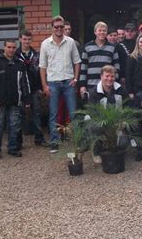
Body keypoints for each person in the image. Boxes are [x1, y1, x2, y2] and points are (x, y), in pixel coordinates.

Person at [39, 15, 81, 152]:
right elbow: (42, 66)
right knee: (53, 114)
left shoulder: (71, 42)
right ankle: (54, 142)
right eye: (56, 27)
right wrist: (44, 85)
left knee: (73, 113)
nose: (59, 29)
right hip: (53, 83)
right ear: (52, 28)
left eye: (61, 27)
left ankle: (76, 141)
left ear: (64, 27)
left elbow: (77, 61)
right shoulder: (45, 44)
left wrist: (75, 78)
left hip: (68, 82)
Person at [0, 39, 31, 160]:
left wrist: (27, 99)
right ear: (4, 47)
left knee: (14, 125)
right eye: (9, 47)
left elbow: (25, 82)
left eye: (13, 47)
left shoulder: (20, 63)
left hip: (15, 101)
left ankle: (12, 148)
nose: (11, 50)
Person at [88, 65, 130, 164]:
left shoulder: (121, 90)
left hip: (118, 124)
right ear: (101, 77)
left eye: (112, 76)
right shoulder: (94, 92)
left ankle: (113, 146)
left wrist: (123, 121)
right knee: (92, 125)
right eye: (107, 76)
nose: (109, 79)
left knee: (123, 144)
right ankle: (96, 151)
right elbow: (92, 112)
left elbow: (129, 107)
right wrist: (104, 125)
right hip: (101, 124)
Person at [15, 30, 45, 146]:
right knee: (20, 114)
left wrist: (41, 87)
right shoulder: (16, 55)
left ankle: (39, 138)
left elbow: (39, 72)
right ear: (20, 39)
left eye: (28, 39)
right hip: (20, 90)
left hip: (34, 89)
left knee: (37, 113)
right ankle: (18, 141)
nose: (26, 41)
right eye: (24, 39)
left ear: (31, 40)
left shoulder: (36, 55)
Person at [79, 21, 120, 97]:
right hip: (91, 85)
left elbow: (116, 67)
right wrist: (82, 85)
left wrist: (114, 82)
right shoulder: (87, 47)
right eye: (99, 30)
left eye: (104, 31)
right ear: (95, 32)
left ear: (107, 32)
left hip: (108, 85)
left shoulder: (112, 48)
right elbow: (83, 68)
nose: (102, 32)